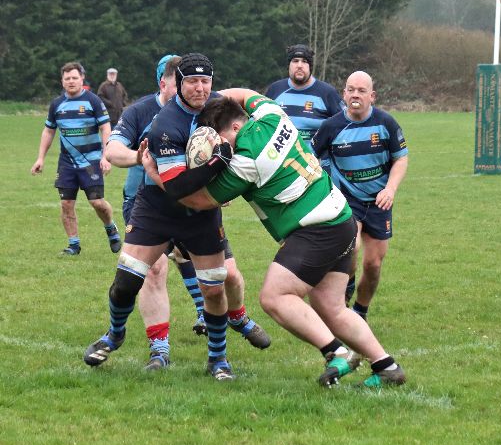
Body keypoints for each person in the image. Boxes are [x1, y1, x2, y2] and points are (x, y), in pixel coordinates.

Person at [164, 91, 406, 388]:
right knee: (331, 307)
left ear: (236, 127)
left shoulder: (246, 161)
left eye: (221, 139)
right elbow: (247, 94)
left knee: (274, 296)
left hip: (317, 229)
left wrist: (158, 172)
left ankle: (336, 352)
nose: (220, 147)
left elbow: (199, 200)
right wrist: (217, 97)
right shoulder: (272, 115)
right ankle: (387, 367)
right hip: (341, 219)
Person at [82, 53, 270, 380]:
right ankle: (115, 334)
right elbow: (178, 187)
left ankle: (218, 359)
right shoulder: (165, 123)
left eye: (205, 81)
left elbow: (246, 128)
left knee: (215, 288)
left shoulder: (220, 106)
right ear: (175, 83)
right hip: (158, 209)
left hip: (202, 214)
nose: (199, 88)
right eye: (192, 81)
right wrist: (217, 162)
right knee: (126, 282)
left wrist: (225, 182)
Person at [104, 54, 213, 367]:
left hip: (190, 201)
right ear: (162, 83)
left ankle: (209, 316)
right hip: (146, 202)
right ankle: (159, 347)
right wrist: (140, 158)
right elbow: (112, 150)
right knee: (154, 269)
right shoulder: (140, 111)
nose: (188, 88)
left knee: (194, 260)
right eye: (177, 80)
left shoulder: (204, 110)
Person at [311, 70, 408, 319]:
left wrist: (390, 189)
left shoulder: (386, 123)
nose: (355, 95)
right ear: (344, 94)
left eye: (361, 91)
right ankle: (347, 287)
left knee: (373, 264)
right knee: (351, 249)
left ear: (372, 96)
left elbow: (401, 159)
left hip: (378, 201)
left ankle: (360, 311)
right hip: (347, 200)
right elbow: (309, 158)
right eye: (351, 90)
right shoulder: (330, 127)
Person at [30, 61, 121, 256]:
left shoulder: (93, 101)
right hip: (67, 163)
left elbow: (106, 128)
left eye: (74, 78)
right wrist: (40, 158)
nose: (71, 81)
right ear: (62, 81)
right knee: (66, 204)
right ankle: (73, 245)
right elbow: (48, 131)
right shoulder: (56, 104)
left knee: (97, 203)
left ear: (82, 79)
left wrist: (106, 156)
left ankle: (110, 227)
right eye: (67, 78)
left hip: (91, 162)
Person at [265, 44, 344, 144]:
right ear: (289, 65)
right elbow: (261, 124)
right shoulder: (274, 90)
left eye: (304, 61)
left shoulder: (327, 93)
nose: (299, 65)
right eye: (295, 61)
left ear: (310, 67)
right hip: (279, 153)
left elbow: (344, 125)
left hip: (315, 154)